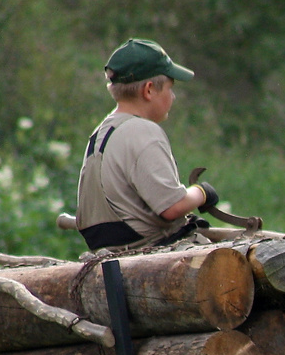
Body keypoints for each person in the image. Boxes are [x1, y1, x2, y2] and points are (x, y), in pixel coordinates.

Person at [74, 38, 212, 252]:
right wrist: (201, 192)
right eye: (170, 88)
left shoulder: (102, 132)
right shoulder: (143, 131)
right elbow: (172, 207)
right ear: (148, 90)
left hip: (109, 250)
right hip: (149, 249)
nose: (173, 96)